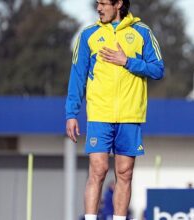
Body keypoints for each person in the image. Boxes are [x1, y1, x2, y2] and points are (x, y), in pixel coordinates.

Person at [65, 0, 164, 219]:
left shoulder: (142, 32)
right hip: (100, 114)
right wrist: (72, 113)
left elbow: (158, 69)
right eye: (97, 3)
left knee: (124, 173)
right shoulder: (88, 35)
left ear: (118, 3)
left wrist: (127, 61)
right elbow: (77, 75)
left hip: (130, 115)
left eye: (103, 3)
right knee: (98, 170)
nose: (98, 8)